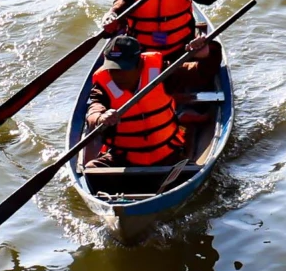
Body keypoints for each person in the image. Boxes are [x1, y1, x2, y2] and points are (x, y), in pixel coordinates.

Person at [83, 33, 213, 169]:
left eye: (123, 69)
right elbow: (94, 108)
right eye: (112, 69)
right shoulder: (103, 82)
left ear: (139, 65)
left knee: (189, 169)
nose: (117, 75)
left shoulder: (161, 71)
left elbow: (200, 73)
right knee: (92, 169)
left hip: (168, 154)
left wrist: (205, 56)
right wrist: (100, 117)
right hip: (124, 158)